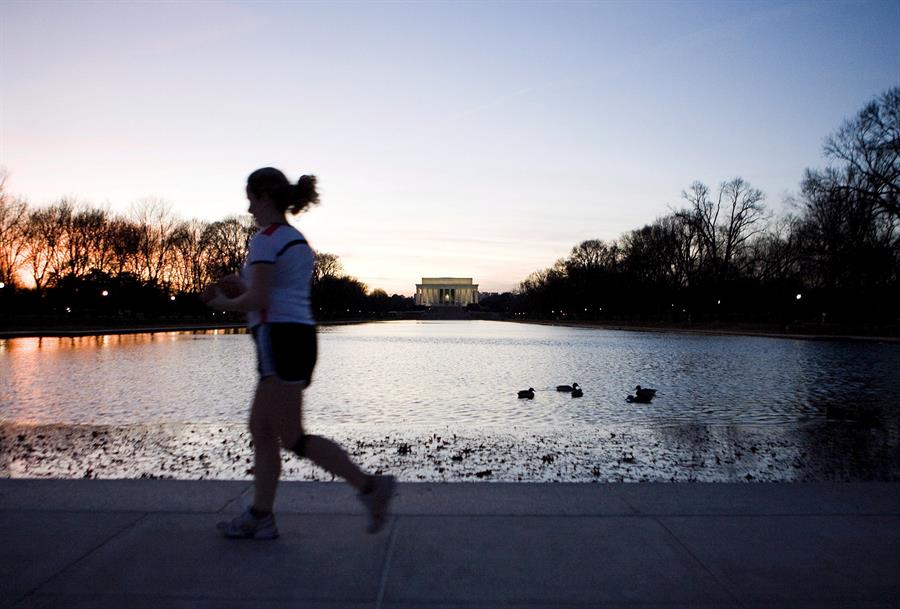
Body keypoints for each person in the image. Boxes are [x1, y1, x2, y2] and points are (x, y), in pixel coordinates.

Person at [204, 167, 394, 540]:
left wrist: (220, 303)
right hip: (294, 337)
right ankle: (261, 515)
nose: (248, 208)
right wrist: (242, 285)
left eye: (251, 199)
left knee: (289, 436)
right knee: (262, 430)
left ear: (263, 197)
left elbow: (260, 300)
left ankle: (370, 488)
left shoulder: (266, 238)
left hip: (280, 339)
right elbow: (274, 292)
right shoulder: (295, 240)